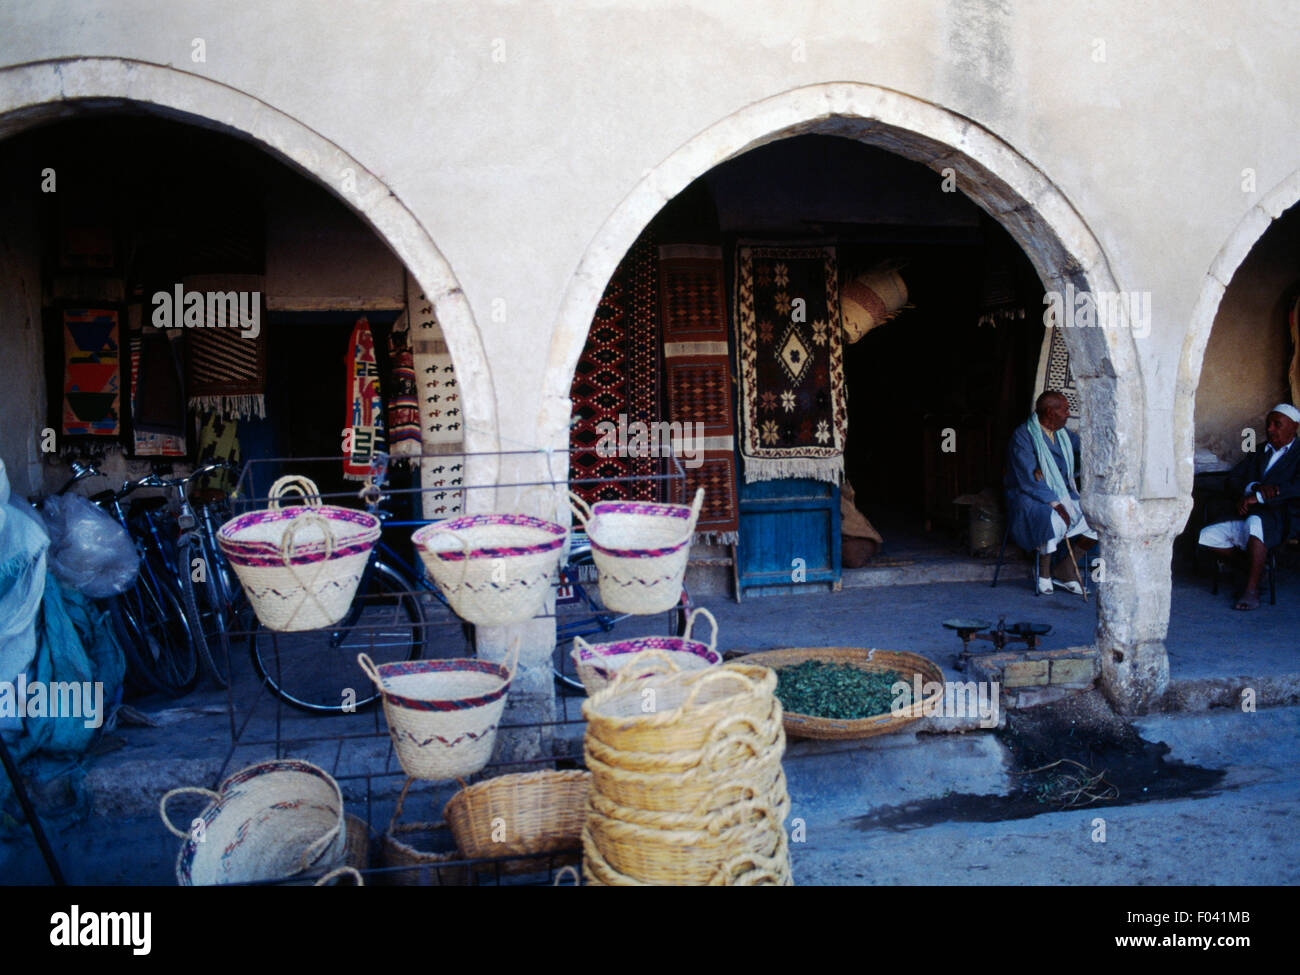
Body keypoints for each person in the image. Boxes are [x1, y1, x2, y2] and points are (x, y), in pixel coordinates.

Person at [1198, 403, 1300, 610]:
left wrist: (1263, 496)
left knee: (1256, 522)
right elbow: (1233, 478)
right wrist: (1252, 489)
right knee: (1208, 536)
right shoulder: (1260, 450)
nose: (1270, 429)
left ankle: (1251, 590)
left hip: (1282, 516)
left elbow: (1296, 487)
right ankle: (1254, 568)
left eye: (1277, 424)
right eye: (1269, 424)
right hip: (1250, 512)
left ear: (1294, 427)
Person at [1004, 391, 1098, 594]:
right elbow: (1028, 479)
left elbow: (1086, 449)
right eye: (1064, 409)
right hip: (1029, 495)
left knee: (1097, 517)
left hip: (1061, 490)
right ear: (1050, 412)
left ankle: (1065, 568)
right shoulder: (1024, 436)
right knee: (1051, 518)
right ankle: (1044, 573)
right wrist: (1055, 503)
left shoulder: (1062, 433)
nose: (1068, 413)